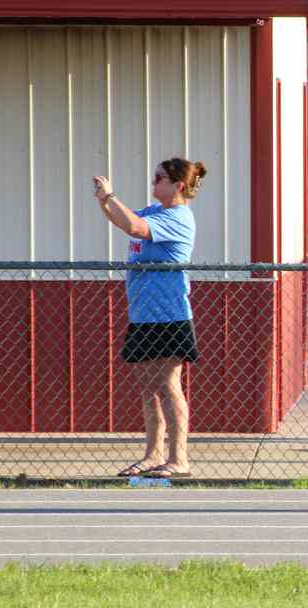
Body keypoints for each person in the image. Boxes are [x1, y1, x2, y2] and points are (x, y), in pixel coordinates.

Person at [97, 158, 207, 479]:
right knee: (147, 386)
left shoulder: (179, 217)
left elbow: (134, 227)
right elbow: (123, 220)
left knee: (168, 384)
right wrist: (105, 201)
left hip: (169, 316)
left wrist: (109, 196)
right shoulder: (153, 211)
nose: (153, 181)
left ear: (178, 186)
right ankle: (152, 454)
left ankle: (178, 458)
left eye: (159, 178)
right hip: (142, 315)